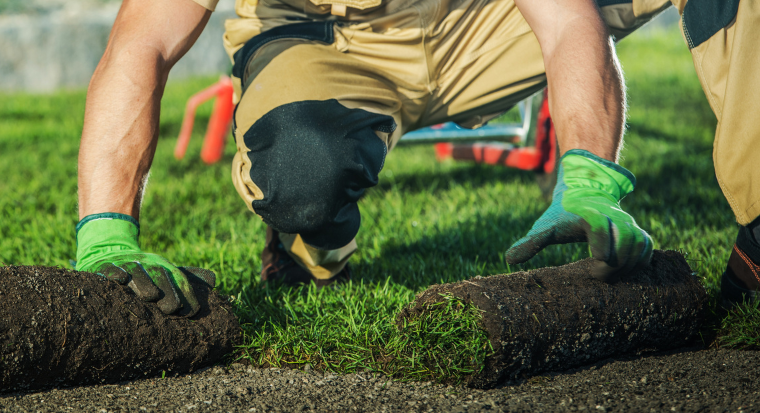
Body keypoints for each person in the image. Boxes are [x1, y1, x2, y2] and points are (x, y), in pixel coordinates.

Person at [73, 0, 757, 315]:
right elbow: (142, 44)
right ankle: (312, 237)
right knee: (304, 175)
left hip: (476, 20)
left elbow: (563, 20)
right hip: (325, 40)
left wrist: (586, 177)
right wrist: (106, 228)